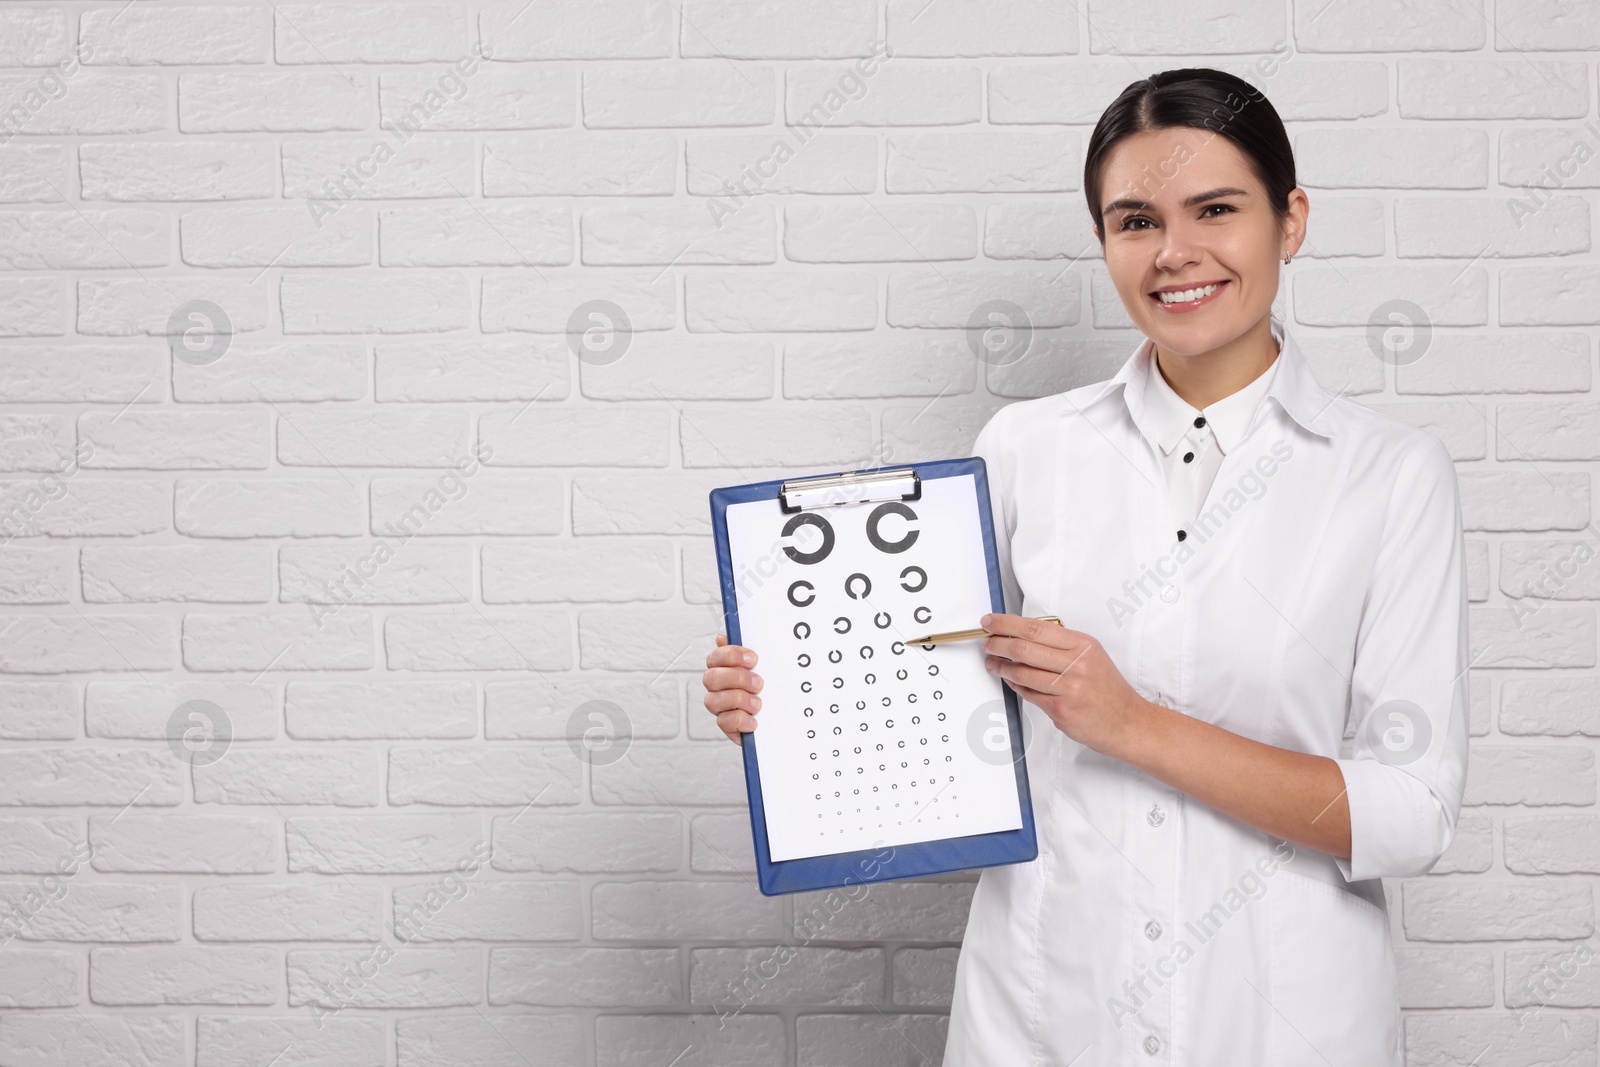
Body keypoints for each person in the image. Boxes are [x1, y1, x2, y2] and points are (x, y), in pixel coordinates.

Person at [702, 67, 1468, 1067]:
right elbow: (942, 715)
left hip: (1284, 1015)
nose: (1174, 252)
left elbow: (1411, 813)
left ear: (1291, 220)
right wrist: (793, 700)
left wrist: (1131, 724)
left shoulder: (1389, 475)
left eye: (1215, 210)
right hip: (1048, 1004)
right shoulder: (1024, 447)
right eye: (1134, 220)